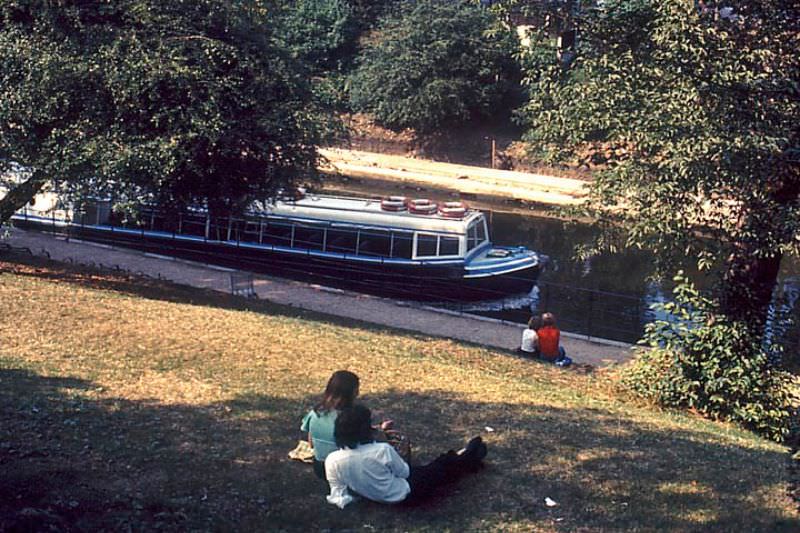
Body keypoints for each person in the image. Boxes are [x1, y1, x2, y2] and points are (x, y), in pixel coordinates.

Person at [325, 404, 487, 508]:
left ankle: (466, 456)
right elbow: (405, 473)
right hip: (404, 494)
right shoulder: (381, 450)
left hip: (374, 495)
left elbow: (338, 491)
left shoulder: (332, 459)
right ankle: (467, 456)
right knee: (439, 468)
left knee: (435, 468)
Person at [301, 370, 360, 479]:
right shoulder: (351, 417)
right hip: (342, 468)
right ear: (352, 393)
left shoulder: (315, 413)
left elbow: (311, 443)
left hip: (320, 466)